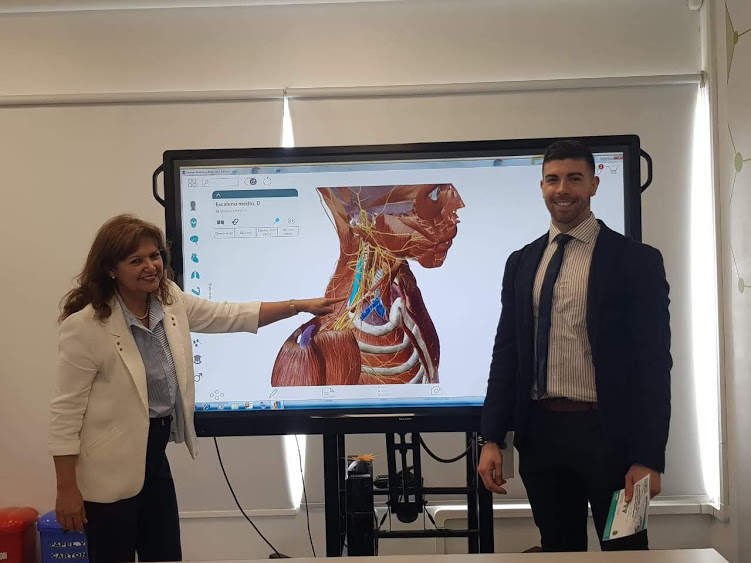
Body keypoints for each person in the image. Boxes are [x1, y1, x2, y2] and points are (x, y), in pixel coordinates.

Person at [49, 214, 339, 562]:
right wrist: (67, 489)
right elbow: (65, 413)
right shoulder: (86, 326)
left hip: (153, 451)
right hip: (107, 466)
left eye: (154, 256)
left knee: (166, 553)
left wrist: (298, 306)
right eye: (136, 260)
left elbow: (228, 315)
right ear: (111, 269)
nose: (151, 266)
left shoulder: (169, 299)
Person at [478, 139, 671, 552]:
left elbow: (654, 365)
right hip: (541, 437)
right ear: (542, 186)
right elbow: (507, 353)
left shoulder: (636, 260)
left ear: (594, 185)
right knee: (558, 550)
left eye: (574, 178)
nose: (562, 189)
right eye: (553, 179)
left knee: (626, 551)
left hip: (612, 438)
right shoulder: (521, 262)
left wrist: (649, 457)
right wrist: (491, 438)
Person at [271, 184, 464, 387]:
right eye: (434, 196)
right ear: (367, 221)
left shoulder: (405, 296)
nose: (455, 213)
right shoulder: (320, 349)